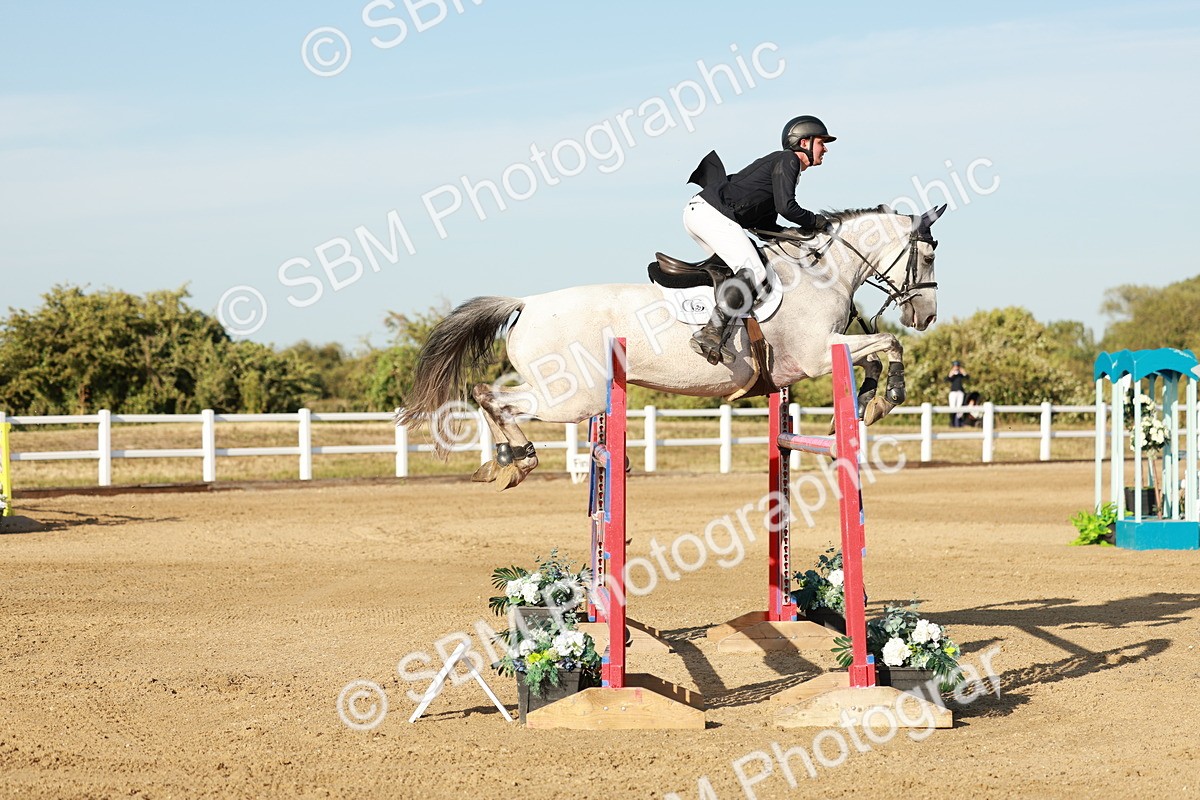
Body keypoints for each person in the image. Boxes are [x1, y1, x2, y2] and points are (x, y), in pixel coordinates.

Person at [683, 115, 836, 365]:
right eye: (822, 142)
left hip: (701, 213)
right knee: (754, 270)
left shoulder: (782, 166)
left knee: (735, 272)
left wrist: (793, 235)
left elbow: (765, 226)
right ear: (805, 142)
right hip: (709, 213)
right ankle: (710, 333)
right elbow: (787, 207)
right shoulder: (788, 160)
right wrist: (816, 222)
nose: (825, 149)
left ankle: (717, 329)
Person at [946, 361, 969, 427]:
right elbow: (947, 379)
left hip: (960, 392)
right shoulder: (952, 375)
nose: (956, 367)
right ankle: (952, 422)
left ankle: (958, 423)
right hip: (953, 392)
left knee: (959, 408)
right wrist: (950, 374)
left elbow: (967, 378)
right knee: (952, 408)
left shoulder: (960, 375)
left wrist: (964, 373)